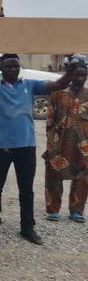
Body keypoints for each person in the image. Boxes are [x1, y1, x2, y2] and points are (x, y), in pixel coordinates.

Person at [0, 53, 74, 244]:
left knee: (26, 189)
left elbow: (59, 85)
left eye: (15, 66)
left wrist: (70, 69)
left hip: (26, 146)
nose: (13, 69)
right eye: (9, 66)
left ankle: (27, 228)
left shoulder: (30, 85)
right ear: (1, 69)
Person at [43, 62, 88, 222]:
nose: (80, 78)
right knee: (53, 175)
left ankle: (77, 211)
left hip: (83, 145)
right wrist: (50, 142)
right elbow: (50, 120)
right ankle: (53, 209)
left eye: (83, 75)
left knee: (82, 177)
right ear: (71, 76)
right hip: (59, 143)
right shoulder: (58, 95)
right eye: (77, 75)